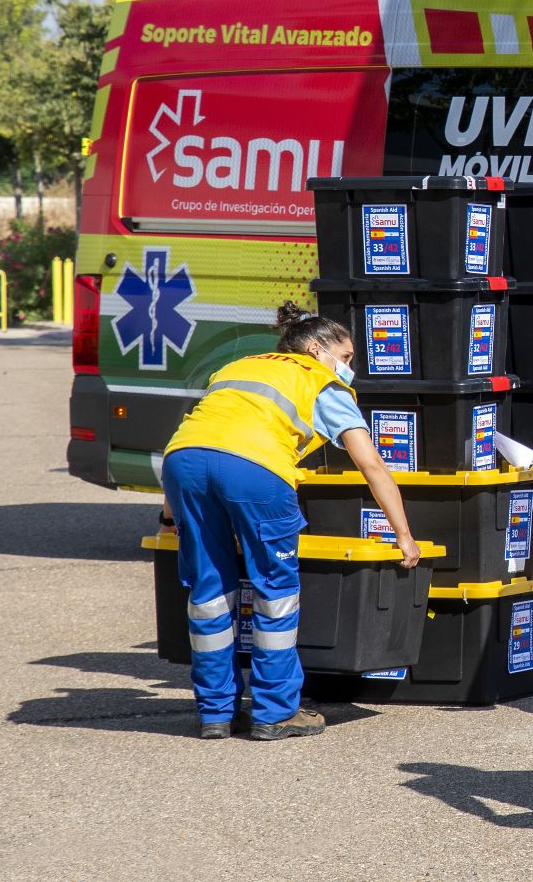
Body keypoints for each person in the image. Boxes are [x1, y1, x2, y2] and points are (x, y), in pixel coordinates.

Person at [159, 303, 422, 741]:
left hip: (182, 462)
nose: (349, 366)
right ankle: (274, 712)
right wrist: (404, 535)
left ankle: (215, 713)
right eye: (348, 356)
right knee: (274, 593)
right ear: (317, 349)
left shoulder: (239, 366)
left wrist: (169, 517)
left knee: (208, 593)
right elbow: (372, 465)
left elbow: (199, 435)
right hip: (255, 470)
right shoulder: (321, 383)